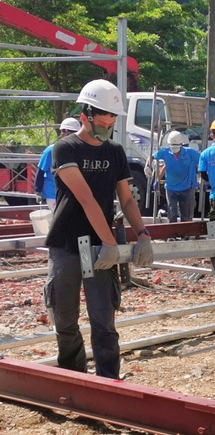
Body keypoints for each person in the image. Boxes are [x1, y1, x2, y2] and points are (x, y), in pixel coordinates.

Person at [43, 79, 154, 380]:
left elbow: (126, 199)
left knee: (104, 320)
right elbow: (85, 197)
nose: (108, 125)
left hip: (99, 246)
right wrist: (111, 242)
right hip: (67, 243)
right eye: (103, 119)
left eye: (112, 119)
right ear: (86, 115)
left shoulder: (115, 152)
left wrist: (143, 233)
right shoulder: (65, 148)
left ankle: (108, 381)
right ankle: (74, 378)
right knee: (65, 319)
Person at [144, 131, 200, 223]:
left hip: (186, 188)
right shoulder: (165, 152)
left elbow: (203, 160)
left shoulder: (190, 153)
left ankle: (185, 231)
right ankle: (172, 231)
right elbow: (152, 157)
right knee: (172, 212)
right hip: (171, 188)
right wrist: (147, 166)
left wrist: (204, 176)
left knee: (185, 214)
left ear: (181, 144)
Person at [35, 117, 80, 211]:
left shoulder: (77, 150)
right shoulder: (51, 150)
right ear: (63, 133)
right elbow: (41, 170)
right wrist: (37, 190)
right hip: (53, 193)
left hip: (71, 192)